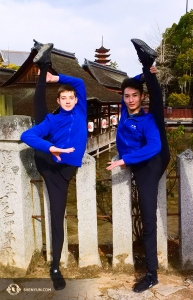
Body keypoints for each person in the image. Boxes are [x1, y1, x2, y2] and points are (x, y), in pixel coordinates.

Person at [21, 42, 87, 290]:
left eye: (71, 97)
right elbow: (27, 136)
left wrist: (55, 77)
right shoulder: (53, 118)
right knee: (40, 118)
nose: (69, 100)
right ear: (58, 100)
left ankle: (44, 66)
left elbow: (79, 83)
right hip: (50, 163)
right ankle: (56, 267)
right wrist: (52, 148)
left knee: (58, 217)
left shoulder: (80, 112)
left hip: (66, 169)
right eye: (64, 98)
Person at [106, 39, 170, 293]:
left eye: (135, 95)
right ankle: (147, 61)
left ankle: (152, 274)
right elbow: (129, 87)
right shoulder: (126, 108)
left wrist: (124, 160)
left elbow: (153, 147)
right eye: (127, 96)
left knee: (147, 219)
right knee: (155, 109)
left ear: (141, 97)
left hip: (151, 163)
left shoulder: (145, 120)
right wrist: (145, 73)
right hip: (139, 160)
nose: (131, 99)